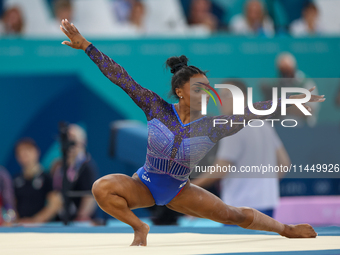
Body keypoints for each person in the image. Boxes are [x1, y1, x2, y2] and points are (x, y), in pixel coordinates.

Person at [59, 19, 324, 246]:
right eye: (198, 88)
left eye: (208, 88)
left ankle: (285, 229)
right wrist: (87, 47)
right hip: (144, 184)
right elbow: (121, 78)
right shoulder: (156, 108)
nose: (206, 93)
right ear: (180, 92)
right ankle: (140, 227)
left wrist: (292, 100)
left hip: (180, 190)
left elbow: (253, 112)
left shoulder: (211, 127)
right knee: (101, 188)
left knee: (234, 215)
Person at [192, 80, 291, 218]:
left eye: (227, 95)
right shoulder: (264, 124)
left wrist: (191, 186)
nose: (221, 101)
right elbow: (284, 163)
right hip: (267, 204)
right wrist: (264, 187)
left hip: (240, 208)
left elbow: (221, 168)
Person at [51, 124, 97, 222]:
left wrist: (80, 217)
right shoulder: (58, 166)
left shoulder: (86, 166)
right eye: (67, 139)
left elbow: (90, 196)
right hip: (61, 220)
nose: (70, 144)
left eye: (73, 140)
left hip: (80, 222)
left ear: (82, 142)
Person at [261, 52, 320, 127]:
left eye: (288, 71)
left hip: (303, 126)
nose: (286, 75)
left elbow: (310, 110)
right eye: (283, 72)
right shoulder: (274, 84)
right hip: (280, 126)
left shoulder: (306, 83)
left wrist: (285, 107)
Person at [13, 138, 62, 223]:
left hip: (40, 227)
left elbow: (55, 205)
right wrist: (17, 221)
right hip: (20, 227)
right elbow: (12, 204)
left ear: (36, 152)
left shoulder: (47, 178)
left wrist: (35, 221)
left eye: (28, 150)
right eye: (20, 152)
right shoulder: (16, 179)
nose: (24, 154)